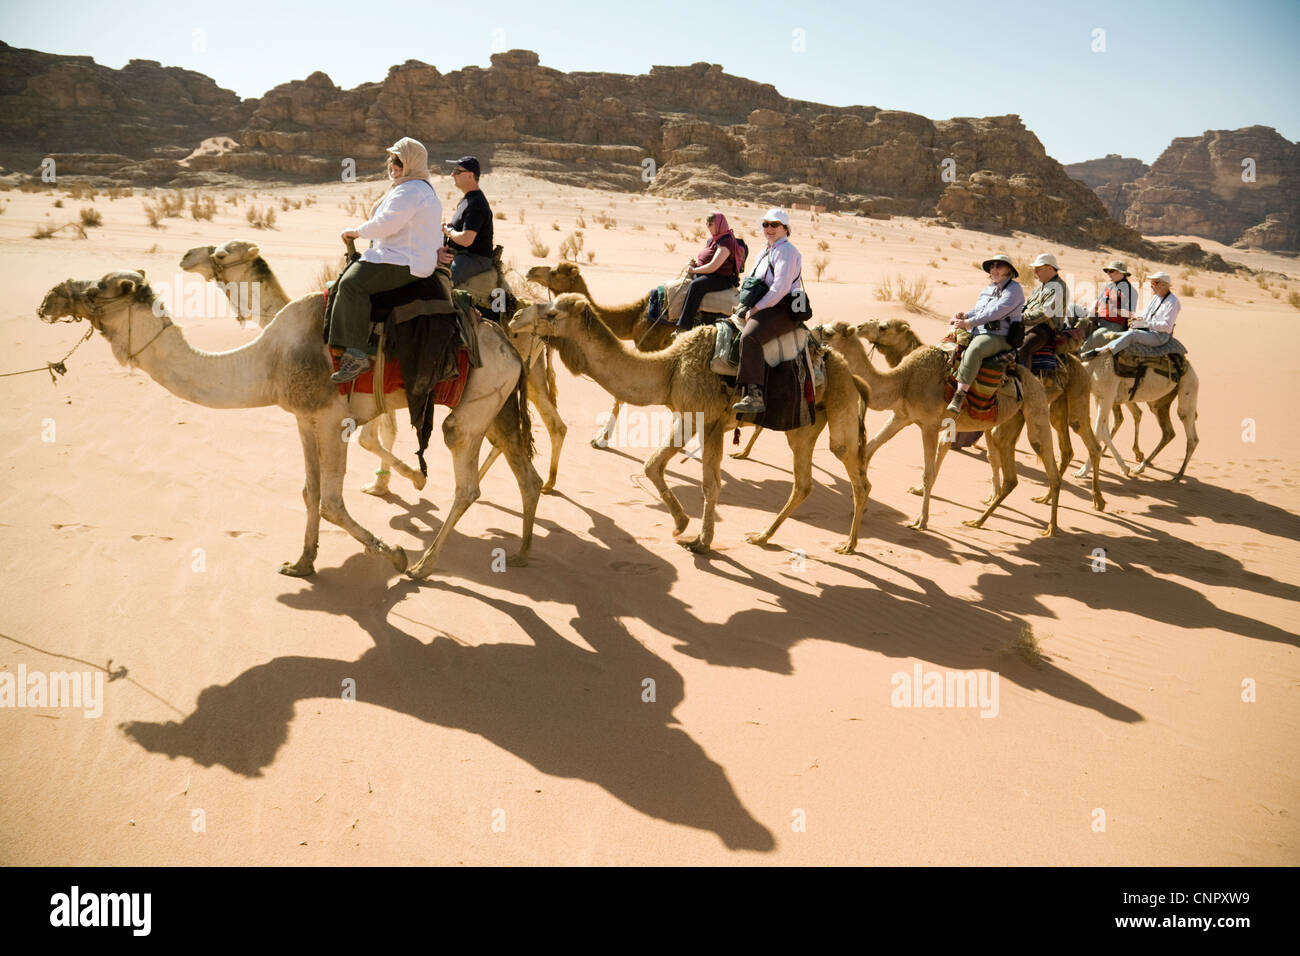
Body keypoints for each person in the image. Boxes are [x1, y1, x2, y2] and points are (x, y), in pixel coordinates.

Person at [330, 137, 441, 384]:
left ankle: (357, 354)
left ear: (412, 164)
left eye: (399, 162)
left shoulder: (411, 190)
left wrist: (357, 232)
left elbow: (388, 223)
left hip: (403, 260)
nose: (393, 167)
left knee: (351, 285)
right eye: (391, 161)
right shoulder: (413, 188)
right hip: (399, 255)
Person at [732, 209, 805, 415]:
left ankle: (754, 395)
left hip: (781, 307)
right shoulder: (764, 251)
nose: (769, 229)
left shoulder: (787, 252)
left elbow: (780, 289)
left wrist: (756, 308)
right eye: (765, 225)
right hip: (764, 302)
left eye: (774, 225)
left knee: (750, 337)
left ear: (785, 229)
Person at [944, 254, 1024, 418]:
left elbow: (997, 311)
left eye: (999, 266)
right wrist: (964, 316)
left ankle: (959, 395)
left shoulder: (1014, 289)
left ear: (1009, 270)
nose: (994, 269)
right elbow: (979, 310)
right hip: (979, 330)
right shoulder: (988, 289)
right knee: (948, 341)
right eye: (992, 266)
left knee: (975, 349)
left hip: (1000, 336)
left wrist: (969, 323)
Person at [1082, 271, 1179, 359]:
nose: (1151, 286)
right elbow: (1146, 315)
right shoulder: (1156, 298)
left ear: (1163, 285)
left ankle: (1103, 351)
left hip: (1159, 336)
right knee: (1121, 335)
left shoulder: (1173, 302)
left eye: (1154, 283)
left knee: (1133, 335)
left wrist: (1145, 324)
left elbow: (1167, 327)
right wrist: (1137, 321)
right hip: (1148, 330)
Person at [677, 212, 741, 331]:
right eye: (706, 223)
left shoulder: (726, 241)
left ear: (719, 224)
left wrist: (694, 269)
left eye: (710, 224)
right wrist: (695, 264)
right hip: (709, 274)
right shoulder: (713, 239)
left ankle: (684, 326)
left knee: (695, 286)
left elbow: (713, 266)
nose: (707, 226)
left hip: (721, 277)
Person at [439, 156, 495, 286]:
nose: (452, 174)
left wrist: (448, 230)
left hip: (474, 257)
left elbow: (466, 239)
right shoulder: (467, 200)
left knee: (444, 283)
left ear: (470, 175)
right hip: (460, 254)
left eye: (457, 171)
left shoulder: (476, 203)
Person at [1018, 252, 1068, 366]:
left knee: (1024, 347)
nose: (1035, 272)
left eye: (1038, 269)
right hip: (1029, 324)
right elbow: (1026, 305)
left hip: (1045, 329)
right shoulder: (1040, 287)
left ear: (1050, 268)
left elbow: (1045, 313)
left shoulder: (1059, 287)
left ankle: (1025, 381)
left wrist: (1020, 318)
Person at [1093, 259, 1136, 336]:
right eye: (1107, 271)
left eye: (1111, 271)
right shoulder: (1109, 286)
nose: (1108, 273)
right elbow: (1097, 302)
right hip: (1099, 320)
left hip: (1115, 325)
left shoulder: (1129, 290)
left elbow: (1130, 314)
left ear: (1121, 273)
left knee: (1092, 340)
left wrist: (1112, 308)